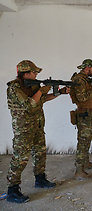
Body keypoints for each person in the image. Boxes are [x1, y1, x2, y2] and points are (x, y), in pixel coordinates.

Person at [6, 60, 69, 203]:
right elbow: (29, 105)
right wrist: (41, 90)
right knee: (20, 159)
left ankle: (40, 179)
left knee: (40, 153)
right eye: (34, 72)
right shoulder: (14, 88)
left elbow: (41, 100)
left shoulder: (34, 86)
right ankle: (12, 190)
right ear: (25, 73)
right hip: (23, 129)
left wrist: (60, 93)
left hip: (37, 126)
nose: (36, 75)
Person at [70, 59, 92, 180]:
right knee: (83, 142)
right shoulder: (80, 79)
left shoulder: (85, 79)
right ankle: (79, 171)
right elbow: (81, 97)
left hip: (87, 113)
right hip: (83, 113)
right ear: (87, 68)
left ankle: (86, 162)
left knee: (87, 139)